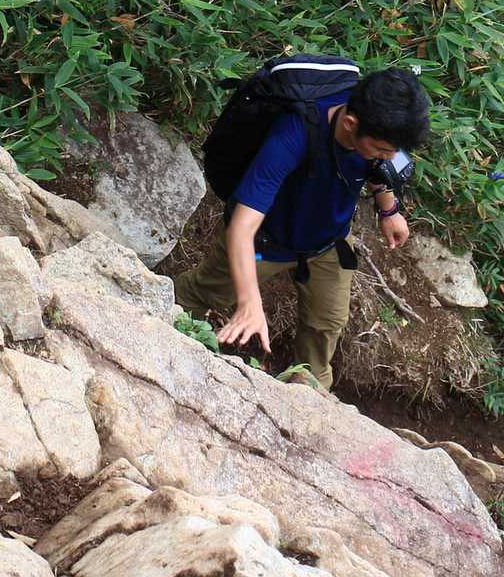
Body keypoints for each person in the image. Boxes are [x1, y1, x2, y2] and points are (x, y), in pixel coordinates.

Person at [174, 67, 431, 390]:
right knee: (205, 293)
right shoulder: (293, 134)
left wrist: (388, 209)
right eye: (382, 150)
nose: (389, 158)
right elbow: (241, 226)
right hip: (264, 242)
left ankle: (312, 389)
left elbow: (380, 167)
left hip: (329, 242)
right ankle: (158, 319)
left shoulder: (376, 124)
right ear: (350, 125)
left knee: (326, 324)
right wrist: (250, 302)